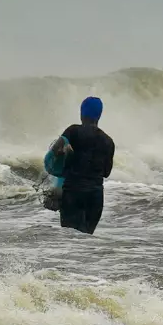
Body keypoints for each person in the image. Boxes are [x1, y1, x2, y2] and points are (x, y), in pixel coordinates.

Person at [51, 96, 114, 235]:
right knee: (86, 241)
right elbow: (106, 172)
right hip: (95, 197)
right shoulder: (108, 141)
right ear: (99, 115)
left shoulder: (72, 131)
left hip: (73, 193)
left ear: (81, 113)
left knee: (70, 240)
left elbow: (55, 151)